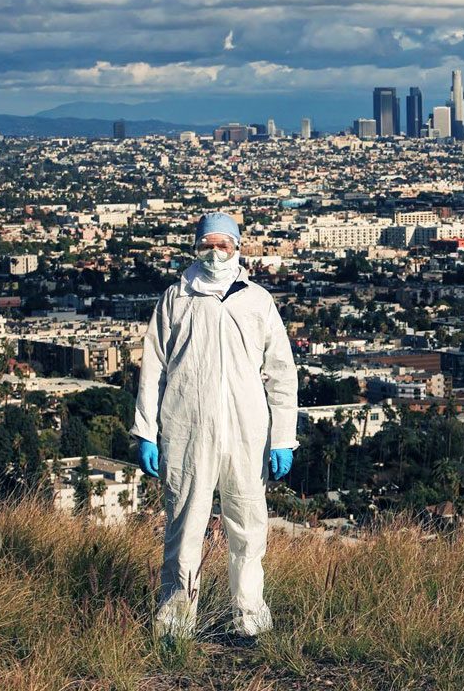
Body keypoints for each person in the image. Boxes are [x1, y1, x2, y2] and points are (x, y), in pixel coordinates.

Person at [132, 212, 299, 640]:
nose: (215, 253)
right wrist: (146, 432)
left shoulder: (257, 300)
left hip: (247, 432)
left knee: (248, 529)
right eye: (207, 245)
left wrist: (283, 438)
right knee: (185, 528)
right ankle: (176, 627)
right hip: (187, 430)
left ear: (237, 248)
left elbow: (281, 373)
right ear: (195, 248)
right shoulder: (176, 298)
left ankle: (249, 621)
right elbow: (153, 369)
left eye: (223, 245)